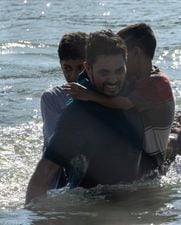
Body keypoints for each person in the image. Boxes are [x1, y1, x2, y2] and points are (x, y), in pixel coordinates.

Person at [26, 30, 157, 205]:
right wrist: (34, 217)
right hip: (91, 205)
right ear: (88, 68)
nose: (113, 80)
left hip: (134, 200)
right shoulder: (78, 114)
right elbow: (44, 173)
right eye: (104, 72)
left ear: (126, 63)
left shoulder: (134, 90)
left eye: (119, 70)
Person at [63, 23, 174, 168]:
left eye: (123, 53)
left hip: (151, 171)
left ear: (135, 53)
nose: (116, 58)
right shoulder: (134, 79)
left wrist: (89, 95)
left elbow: (124, 104)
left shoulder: (159, 83)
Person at [40, 32, 88, 189]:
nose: (74, 76)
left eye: (80, 68)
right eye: (67, 68)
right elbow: (59, 149)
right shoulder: (51, 98)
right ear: (60, 64)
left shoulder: (102, 95)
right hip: (59, 175)